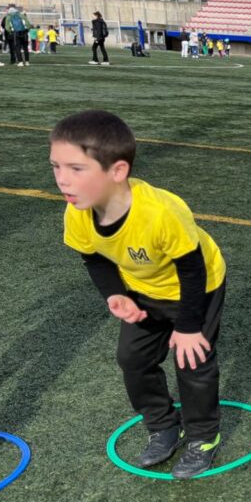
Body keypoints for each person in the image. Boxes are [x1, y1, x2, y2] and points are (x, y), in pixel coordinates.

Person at [54, 110, 227, 479]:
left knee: (192, 360)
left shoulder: (160, 212)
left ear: (118, 171)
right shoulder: (77, 212)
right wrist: (115, 295)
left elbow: (192, 269)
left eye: (76, 169)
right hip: (142, 289)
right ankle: (164, 426)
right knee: (132, 358)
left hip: (197, 286)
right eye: (56, 167)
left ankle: (202, 437)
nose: (62, 180)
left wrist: (188, 326)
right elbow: (93, 257)